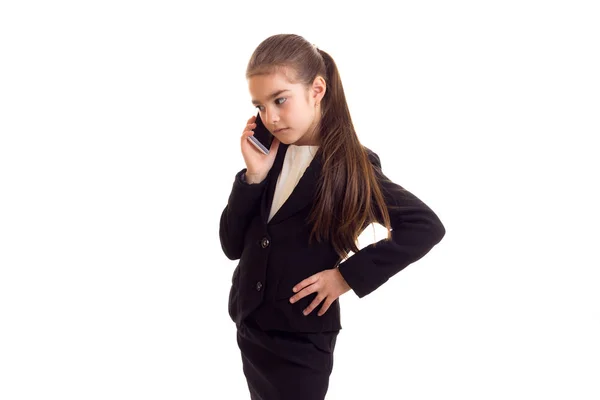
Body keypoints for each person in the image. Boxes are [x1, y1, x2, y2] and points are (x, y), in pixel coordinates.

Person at [219, 33, 446, 400]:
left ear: (317, 90)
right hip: (251, 328)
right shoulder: (269, 159)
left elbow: (425, 226)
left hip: (300, 339)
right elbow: (231, 246)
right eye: (260, 106)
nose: (270, 117)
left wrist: (345, 276)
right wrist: (253, 177)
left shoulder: (350, 166)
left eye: (280, 100)